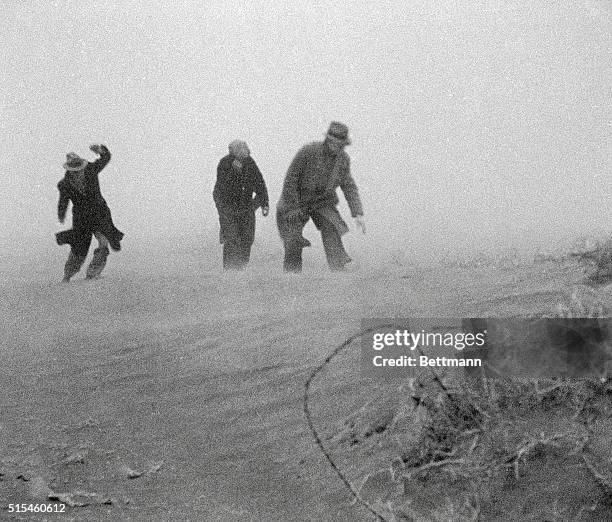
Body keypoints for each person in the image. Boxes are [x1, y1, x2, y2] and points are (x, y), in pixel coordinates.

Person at [276, 121, 365, 272]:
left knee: (332, 226)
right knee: (292, 238)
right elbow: (291, 179)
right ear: (327, 140)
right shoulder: (308, 152)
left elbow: (349, 186)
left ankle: (338, 270)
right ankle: (292, 275)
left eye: (340, 144)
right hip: (295, 200)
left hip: (322, 202)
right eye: (333, 142)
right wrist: (293, 207)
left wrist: (357, 212)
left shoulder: (343, 160)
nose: (336, 146)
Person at [56, 144, 124, 282]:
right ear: (69, 170)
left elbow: (105, 158)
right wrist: (61, 214)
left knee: (103, 243)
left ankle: (93, 273)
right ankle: (67, 276)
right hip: (81, 219)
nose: (78, 172)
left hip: (100, 214)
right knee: (79, 251)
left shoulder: (91, 170)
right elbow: (63, 201)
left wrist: (101, 151)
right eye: (74, 170)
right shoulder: (64, 184)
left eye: (79, 168)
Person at [213, 140, 269, 270]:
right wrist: (234, 172)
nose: (246, 151)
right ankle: (230, 270)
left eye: (246, 149)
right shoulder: (225, 163)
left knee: (247, 238)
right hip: (228, 207)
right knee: (231, 239)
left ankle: (242, 268)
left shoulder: (250, 163)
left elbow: (259, 184)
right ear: (233, 151)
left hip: (246, 207)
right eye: (241, 149)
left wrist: (264, 203)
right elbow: (222, 187)